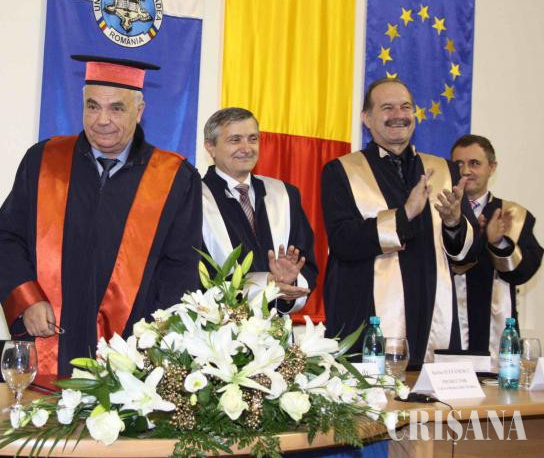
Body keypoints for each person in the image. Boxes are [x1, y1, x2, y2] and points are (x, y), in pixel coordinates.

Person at [0, 55, 202, 375]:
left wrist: (155, 341)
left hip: (132, 351)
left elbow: (181, 269)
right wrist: (27, 299)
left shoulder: (174, 178)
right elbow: (7, 237)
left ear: (139, 112)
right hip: (51, 337)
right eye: (92, 106)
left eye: (116, 108)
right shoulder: (44, 161)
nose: (102, 120)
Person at [321, 78, 478, 366]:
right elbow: (343, 242)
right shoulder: (341, 171)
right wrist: (404, 215)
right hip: (367, 314)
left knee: (432, 393)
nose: (399, 115)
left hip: (433, 310)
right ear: (366, 118)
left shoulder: (443, 170)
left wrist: (455, 223)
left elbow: (468, 254)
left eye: (406, 107)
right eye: (387, 108)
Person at [201, 107, 316, 313]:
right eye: (235, 140)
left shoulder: (284, 195)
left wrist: (289, 281)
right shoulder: (193, 199)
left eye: (253, 139)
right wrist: (264, 283)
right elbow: (191, 272)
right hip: (218, 325)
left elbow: (306, 263)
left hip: (275, 326)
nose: (246, 148)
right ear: (210, 147)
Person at [450, 134, 542, 364]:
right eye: (458, 164)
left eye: (474, 163)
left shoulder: (512, 215)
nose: (465, 171)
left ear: (492, 168)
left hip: (493, 327)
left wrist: (498, 243)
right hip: (446, 324)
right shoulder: (439, 210)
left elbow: (524, 272)